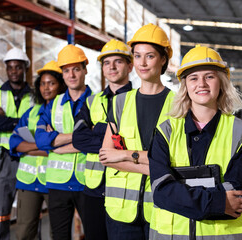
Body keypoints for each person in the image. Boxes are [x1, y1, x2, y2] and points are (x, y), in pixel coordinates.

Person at [148, 45, 242, 240]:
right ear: (185, 86)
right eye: (193, 78)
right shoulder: (165, 131)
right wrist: (217, 202)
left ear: (221, 82)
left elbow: (237, 195)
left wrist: (181, 194)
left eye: (209, 76)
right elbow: (161, 191)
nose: (201, 84)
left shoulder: (241, 132)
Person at [98, 23, 175, 240]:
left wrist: (125, 155)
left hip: (162, 209)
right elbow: (105, 156)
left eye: (150, 56)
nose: (142, 63)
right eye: (137, 55)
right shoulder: (120, 102)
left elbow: (178, 164)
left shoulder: (178, 106)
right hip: (120, 212)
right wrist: (154, 166)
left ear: (163, 59)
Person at [72, 39, 133, 240]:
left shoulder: (139, 100)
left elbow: (139, 142)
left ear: (130, 65)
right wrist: (114, 138)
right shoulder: (91, 101)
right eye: (107, 62)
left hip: (128, 190)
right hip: (94, 189)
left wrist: (97, 129)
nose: (112, 67)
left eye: (118, 61)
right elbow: (79, 139)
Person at [35, 45, 91, 240]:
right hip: (57, 183)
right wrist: (79, 137)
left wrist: (58, 141)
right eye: (66, 70)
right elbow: (41, 140)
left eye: (76, 69)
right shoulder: (53, 104)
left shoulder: (97, 101)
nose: (72, 75)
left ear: (85, 69)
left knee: (95, 235)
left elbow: (96, 141)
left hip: (88, 182)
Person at [9, 60, 67, 240]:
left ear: (61, 85)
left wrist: (31, 147)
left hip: (55, 181)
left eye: (51, 83)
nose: (46, 88)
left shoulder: (66, 112)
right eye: (42, 83)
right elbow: (14, 142)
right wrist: (45, 144)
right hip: (28, 182)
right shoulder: (31, 113)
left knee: (57, 232)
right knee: (24, 232)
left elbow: (69, 147)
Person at [0, 47, 33, 240]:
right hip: (2, 159)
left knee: (29, 213)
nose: (14, 71)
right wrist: (19, 122)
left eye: (18, 67)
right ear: (6, 70)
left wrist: (8, 120)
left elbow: (37, 126)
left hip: (29, 158)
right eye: (10, 67)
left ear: (25, 69)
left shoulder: (35, 96)